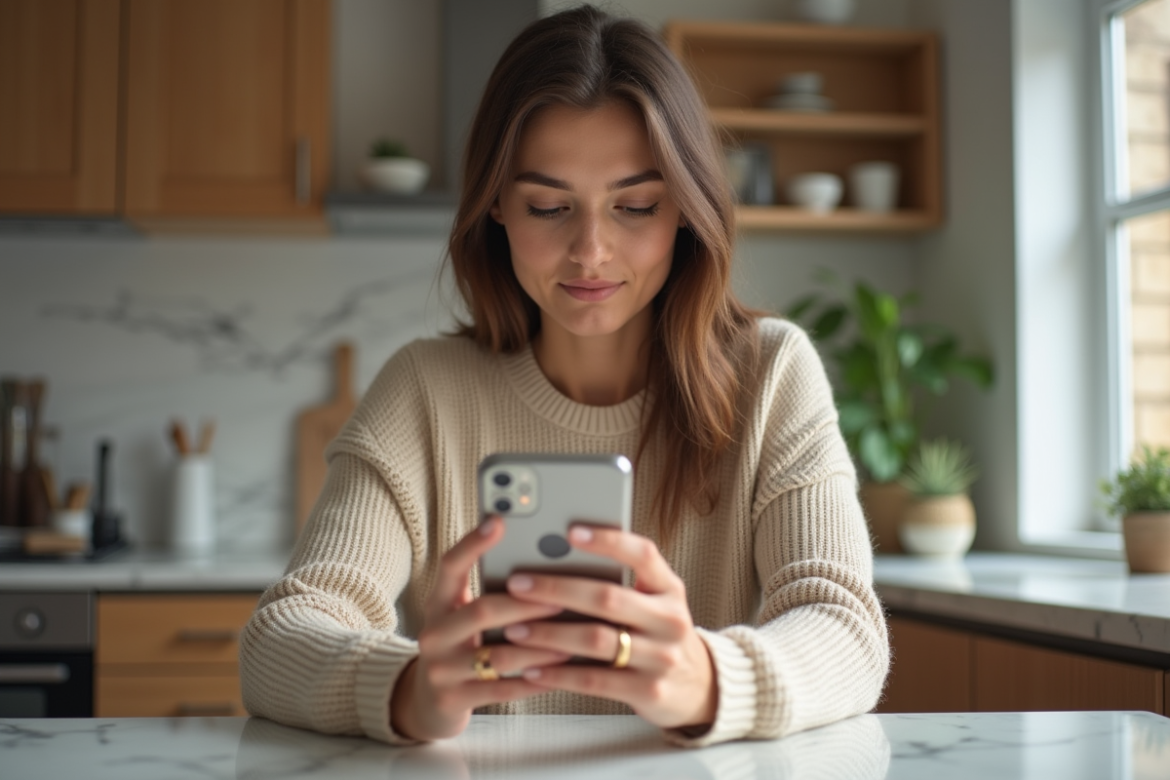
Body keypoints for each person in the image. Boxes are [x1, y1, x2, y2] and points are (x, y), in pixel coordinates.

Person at [239, 4, 889, 748]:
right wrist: (408, 689)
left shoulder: (773, 373)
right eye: (548, 206)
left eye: (635, 206)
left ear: (686, 208)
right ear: (495, 207)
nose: (590, 250)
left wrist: (706, 678)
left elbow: (846, 627)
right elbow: (281, 638)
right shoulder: (423, 391)